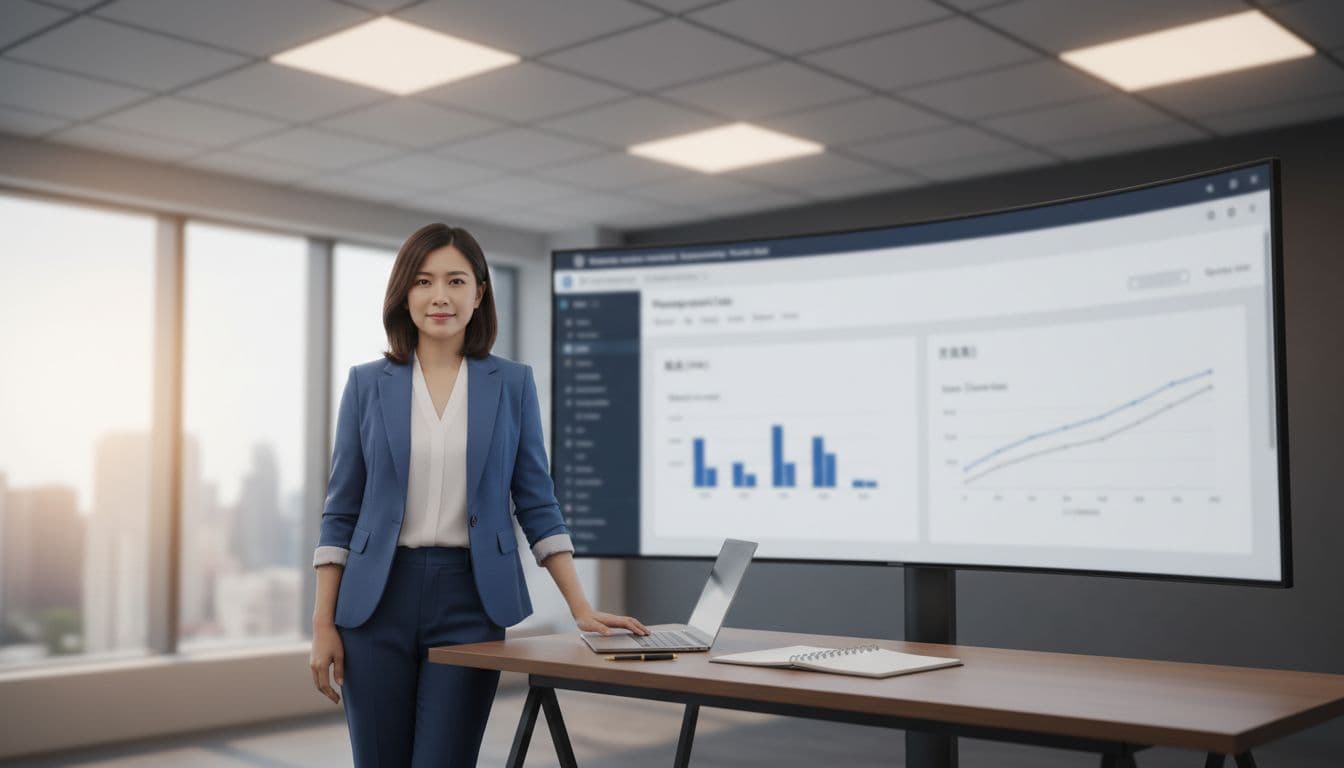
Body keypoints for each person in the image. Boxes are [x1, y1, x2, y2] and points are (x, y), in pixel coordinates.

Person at [308, 223, 648, 766]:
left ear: (479, 293)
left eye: (455, 280)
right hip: (374, 605)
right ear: (404, 294)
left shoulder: (511, 384)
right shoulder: (367, 383)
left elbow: (536, 501)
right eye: (423, 281)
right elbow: (341, 511)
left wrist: (579, 606)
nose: (439, 295)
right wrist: (323, 624)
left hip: (469, 601)